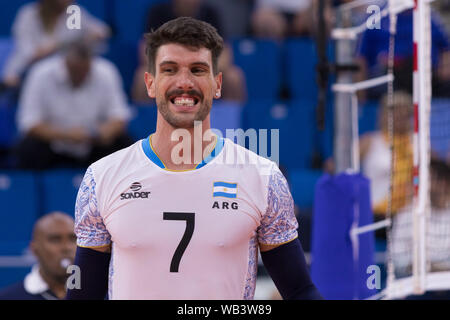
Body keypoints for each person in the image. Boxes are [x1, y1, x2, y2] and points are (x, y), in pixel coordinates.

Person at [66, 17, 322, 300]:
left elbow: (299, 290)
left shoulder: (263, 178)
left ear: (217, 84)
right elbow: (82, 294)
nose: (184, 82)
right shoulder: (102, 177)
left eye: (198, 70)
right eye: (170, 70)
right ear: (150, 84)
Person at [15, 40, 133, 170]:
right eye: (75, 70)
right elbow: (29, 123)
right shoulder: (40, 73)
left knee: (124, 145)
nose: (80, 75)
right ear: (65, 62)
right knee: (28, 148)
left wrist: (104, 132)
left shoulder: (106, 71)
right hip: (53, 142)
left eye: (84, 69)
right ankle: (27, 188)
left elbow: (119, 116)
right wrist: (65, 135)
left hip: (94, 142)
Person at [1, 0, 110, 89]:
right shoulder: (28, 15)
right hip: (27, 73)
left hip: (66, 75)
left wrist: (93, 35)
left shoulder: (73, 13)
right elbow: (28, 53)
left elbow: (102, 31)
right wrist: (58, 45)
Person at [391, 157, 450, 299]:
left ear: (443, 182)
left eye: (428, 179)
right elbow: (397, 259)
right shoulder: (406, 215)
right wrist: (426, 269)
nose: (421, 184)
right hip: (415, 287)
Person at [0, 212, 76, 300]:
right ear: (35, 249)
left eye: (73, 239)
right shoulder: (8, 297)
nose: (66, 247)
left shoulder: (93, 292)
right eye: (55, 240)